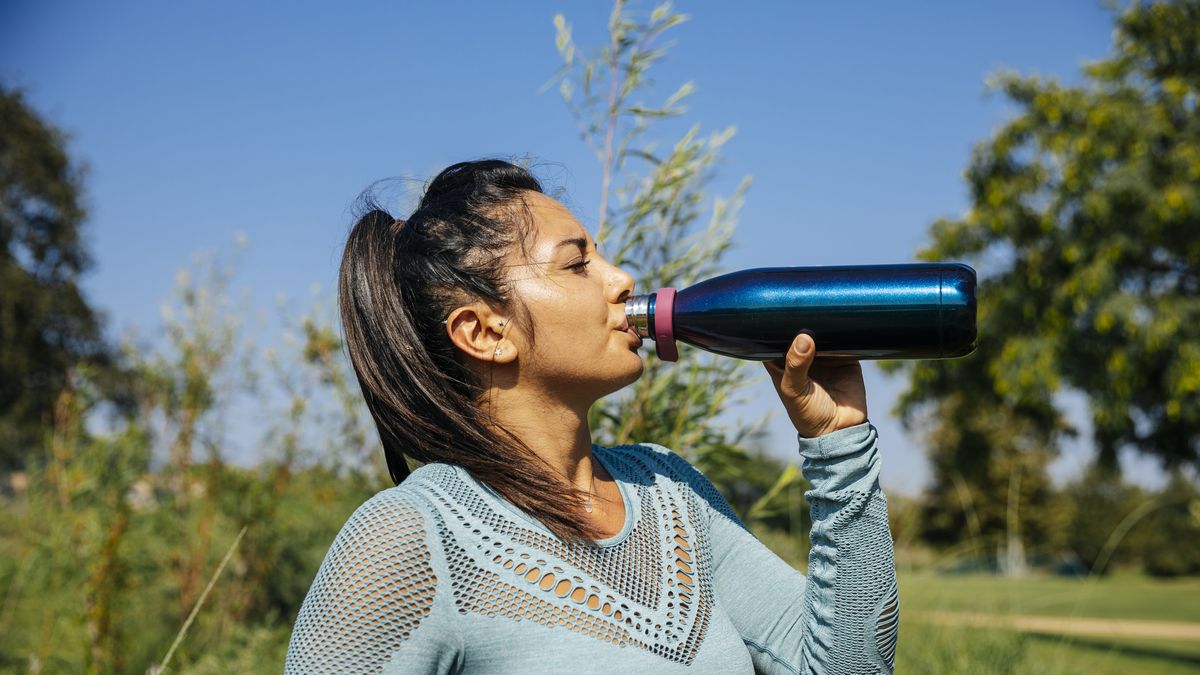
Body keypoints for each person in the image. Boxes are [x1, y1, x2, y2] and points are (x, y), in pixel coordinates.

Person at [284, 160, 898, 674]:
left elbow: (848, 666)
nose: (621, 279)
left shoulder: (670, 491)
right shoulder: (412, 536)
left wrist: (837, 441)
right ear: (483, 331)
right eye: (577, 264)